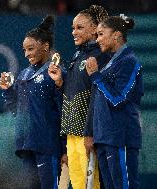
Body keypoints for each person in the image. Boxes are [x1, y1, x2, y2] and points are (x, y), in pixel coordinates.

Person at [48, 5, 110, 189]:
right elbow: (73, 91)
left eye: (80, 28)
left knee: (91, 184)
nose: (74, 32)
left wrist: (90, 133)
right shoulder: (78, 55)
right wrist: (60, 82)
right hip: (72, 131)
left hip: (87, 133)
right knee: (77, 183)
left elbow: (98, 96)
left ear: (94, 29)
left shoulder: (100, 56)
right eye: (73, 28)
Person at [0, 15, 63, 188]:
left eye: (31, 49)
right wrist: (7, 91)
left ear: (45, 47)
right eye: (24, 50)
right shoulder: (24, 74)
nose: (26, 54)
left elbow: (64, 110)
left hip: (47, 144)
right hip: (26, 144)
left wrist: (64, 147)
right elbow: (16, 110)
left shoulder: (55, 72)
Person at [85, 15, 143, 189]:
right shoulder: (111, 63)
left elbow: (118, 99)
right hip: (104, 138)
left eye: (101, 34)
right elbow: (98, 101)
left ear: (116, 35)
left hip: (120, 138)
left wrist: (96, 76)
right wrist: (93, 133)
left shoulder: (129, 61)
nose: (98, 39)